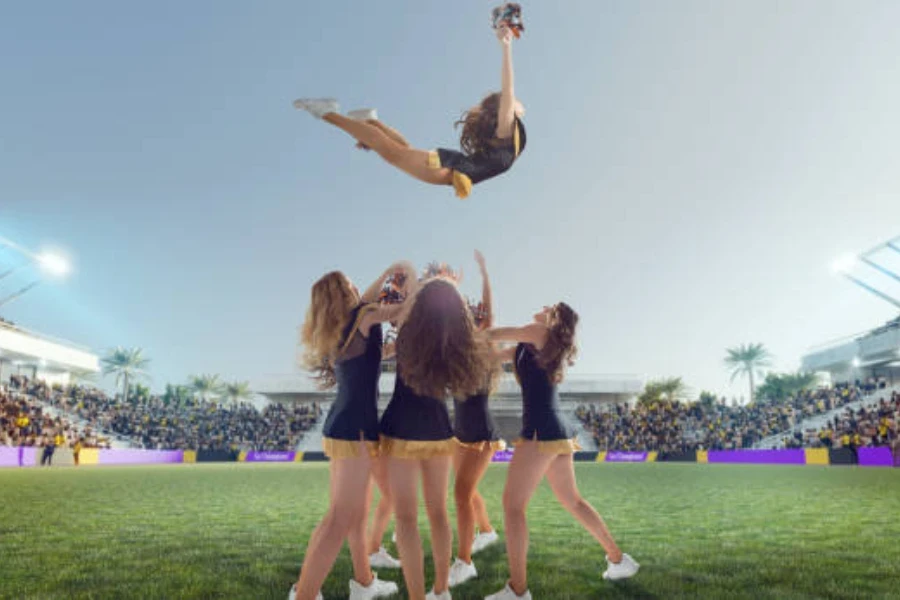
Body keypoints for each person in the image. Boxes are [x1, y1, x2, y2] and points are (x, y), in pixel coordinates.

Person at [484, 303, 639, 600]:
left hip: (541, 430)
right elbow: (492, 355)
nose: (540, 307)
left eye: (549, 306)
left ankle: (518, 591)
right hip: (556, 430)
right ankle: (619, 561)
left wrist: (460, 332)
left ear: (552, 319)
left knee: (513, 506)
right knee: (573, 501)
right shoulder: (528, 344)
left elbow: (493, 334)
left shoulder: (537, 332)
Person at [289, 262, 418, 600]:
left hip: (345, 426)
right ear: (341, 293)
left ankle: (363, 584)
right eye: (348, 283)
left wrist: (393, 269)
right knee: (340, 519)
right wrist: (408, 272)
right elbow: (406, 309)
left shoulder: (347, 324)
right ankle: (304, 594)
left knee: (354, 514)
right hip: (355, 430)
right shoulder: (362, 316)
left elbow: (370, 351)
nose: (356, 286)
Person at [294, 24, 525, 200]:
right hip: (447, 169)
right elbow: (509, 87)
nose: (519, 103)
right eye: (514, 101)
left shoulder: (504, 137)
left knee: (400, 150)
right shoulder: (506, 131)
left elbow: (509, 91)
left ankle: (371, 121)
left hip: (450, 168)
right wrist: (506, 47)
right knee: (391, 151)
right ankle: (327, 113)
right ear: (504, 107)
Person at [379, 277, 495, 600]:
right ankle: (441, 591)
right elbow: (485, 320)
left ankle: (418, 597)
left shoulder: (405, 332)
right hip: (439, 430)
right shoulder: (457, 344)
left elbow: (395, 307)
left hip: (400, 428)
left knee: (405, 517)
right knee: (439, 513)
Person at [447, 251, 503, 589]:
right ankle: (487, 531)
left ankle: (464, 561)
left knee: (460, 494)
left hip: (481, 431)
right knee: (467, 490)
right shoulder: (455, 350)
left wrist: (484, 272)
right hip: (459, 432)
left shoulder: (483, 343)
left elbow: (489, 311)